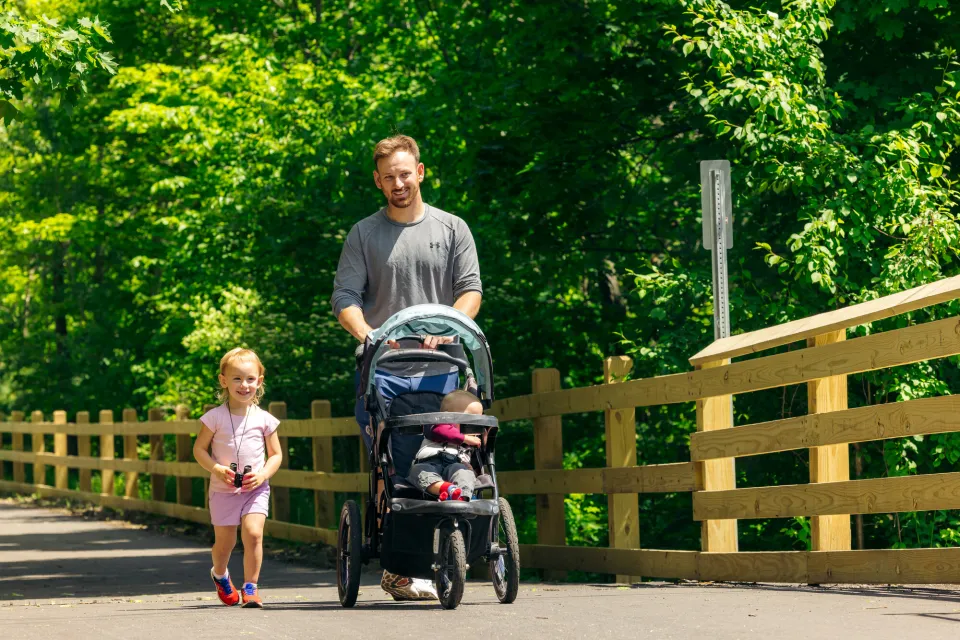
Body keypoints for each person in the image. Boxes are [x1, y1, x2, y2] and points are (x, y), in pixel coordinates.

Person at [330, 134, 482, 601]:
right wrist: (372, 335)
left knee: (457, 451)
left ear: (420, 172)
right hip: (386, 372)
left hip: (443, 368)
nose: (398, 183)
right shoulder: (364, 234)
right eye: (388, 177)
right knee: (396, 466)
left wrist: (452, 324)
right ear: (378, 182)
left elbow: (470, 289)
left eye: (404, 173)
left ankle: (464, 544)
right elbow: (345, 298)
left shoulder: (452, 228)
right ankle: (399, 568)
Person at [193, 348, 282, 608]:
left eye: (250, 379)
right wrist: (216, 469)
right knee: (226, 542)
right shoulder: (214, 418)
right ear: (223, 381)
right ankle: (220, 574)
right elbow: (199, 450)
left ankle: (251, 587)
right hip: (223, 490)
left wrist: (264, 473)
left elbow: (276, 455)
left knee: (254, 534)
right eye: (237, 379)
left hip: (255, 488)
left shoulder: (265, 420)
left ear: (260, 381)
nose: (244, 385)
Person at [408, 390, 482, 501]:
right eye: (469, 420)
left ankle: (462, 497)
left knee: (465, 474)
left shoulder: (471, 444)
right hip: (429, 464)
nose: (473, 427)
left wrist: (471, 469)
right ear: (447, 416)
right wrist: (465, 438)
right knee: (418, 472)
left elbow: (473, 464)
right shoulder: (437, 425)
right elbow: (443, 432)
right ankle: (447, 489)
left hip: (455, 466)